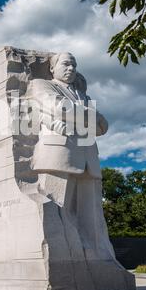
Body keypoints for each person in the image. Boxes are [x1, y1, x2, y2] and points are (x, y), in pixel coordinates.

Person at [27, 52, 116, 261]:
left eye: (74, 65)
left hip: (88, 160)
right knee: (56, 213)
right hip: (58, 156)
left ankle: (96, 259)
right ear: (52, 68)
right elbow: (57, 108)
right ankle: (62, 259)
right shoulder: (42, 84)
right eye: (66, 64)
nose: (71, 69)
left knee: (92, 218)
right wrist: (87, 116)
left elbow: (103, 127)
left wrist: (77, 114)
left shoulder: (82, 96)